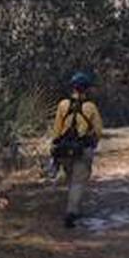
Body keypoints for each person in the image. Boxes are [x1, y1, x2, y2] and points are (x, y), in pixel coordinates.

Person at [52, 72, 104, 228]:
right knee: (77, 183)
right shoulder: (91, 107)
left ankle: (72, 207)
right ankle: (72, 212)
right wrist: (93, 142)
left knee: (70, 180)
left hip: (63, 148)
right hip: (82, 149)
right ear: (86, 89)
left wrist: (54, 147)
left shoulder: (63, 105)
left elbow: (57, 129)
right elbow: (98, 129)